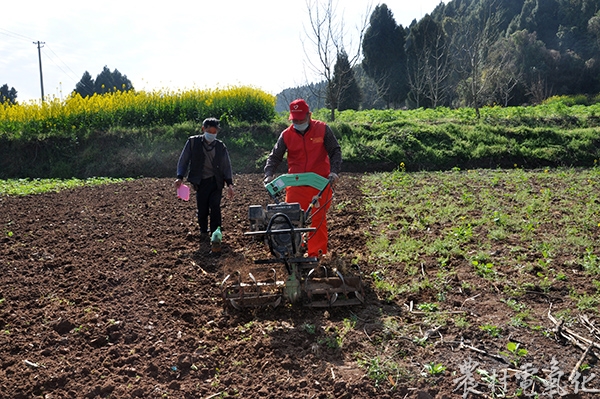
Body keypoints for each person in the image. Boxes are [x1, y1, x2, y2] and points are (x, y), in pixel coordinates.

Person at [264, 98, 341, 258]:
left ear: (309, 115)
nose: (298, 122)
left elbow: (335, 151)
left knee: (317, 220)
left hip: (318, 183)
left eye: (301, 119)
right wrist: (268, 174)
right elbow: (275, 156)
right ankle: (293, 251)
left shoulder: (322, 129)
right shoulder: (286, 135)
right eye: (295, 120)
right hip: (295, 184)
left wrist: (334, 172)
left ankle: (316, 255)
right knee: (290, 217)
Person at [175, 117, 235, 241]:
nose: (212, 135)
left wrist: (229, 183)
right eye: (210, 131)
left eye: (215, 132)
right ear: (203, 129)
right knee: (202, 209)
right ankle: (203, 231)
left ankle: (216, 233)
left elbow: (226, 165)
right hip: (200, 181)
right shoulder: (193, 142)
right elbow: (184, 160)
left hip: (216, 181)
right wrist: (180, 177)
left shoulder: (220, 146)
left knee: (215, 206)